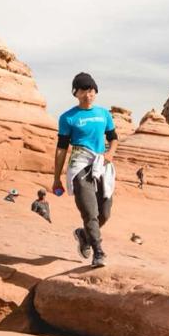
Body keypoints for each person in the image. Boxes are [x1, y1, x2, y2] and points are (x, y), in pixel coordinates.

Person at [52, 72, 118, 268]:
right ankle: (98, 253)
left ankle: (83, 235)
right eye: (83, 91)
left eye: (91, 90)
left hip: (102, 164)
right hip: (80, 165)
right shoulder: (68, 117)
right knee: (90, 211)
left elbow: (113, 137)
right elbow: (61, 148)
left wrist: (110, 153)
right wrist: (56, 178)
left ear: (95, 92)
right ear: (76, 93)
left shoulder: (104, 114)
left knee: (104, 213)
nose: (88, 94)